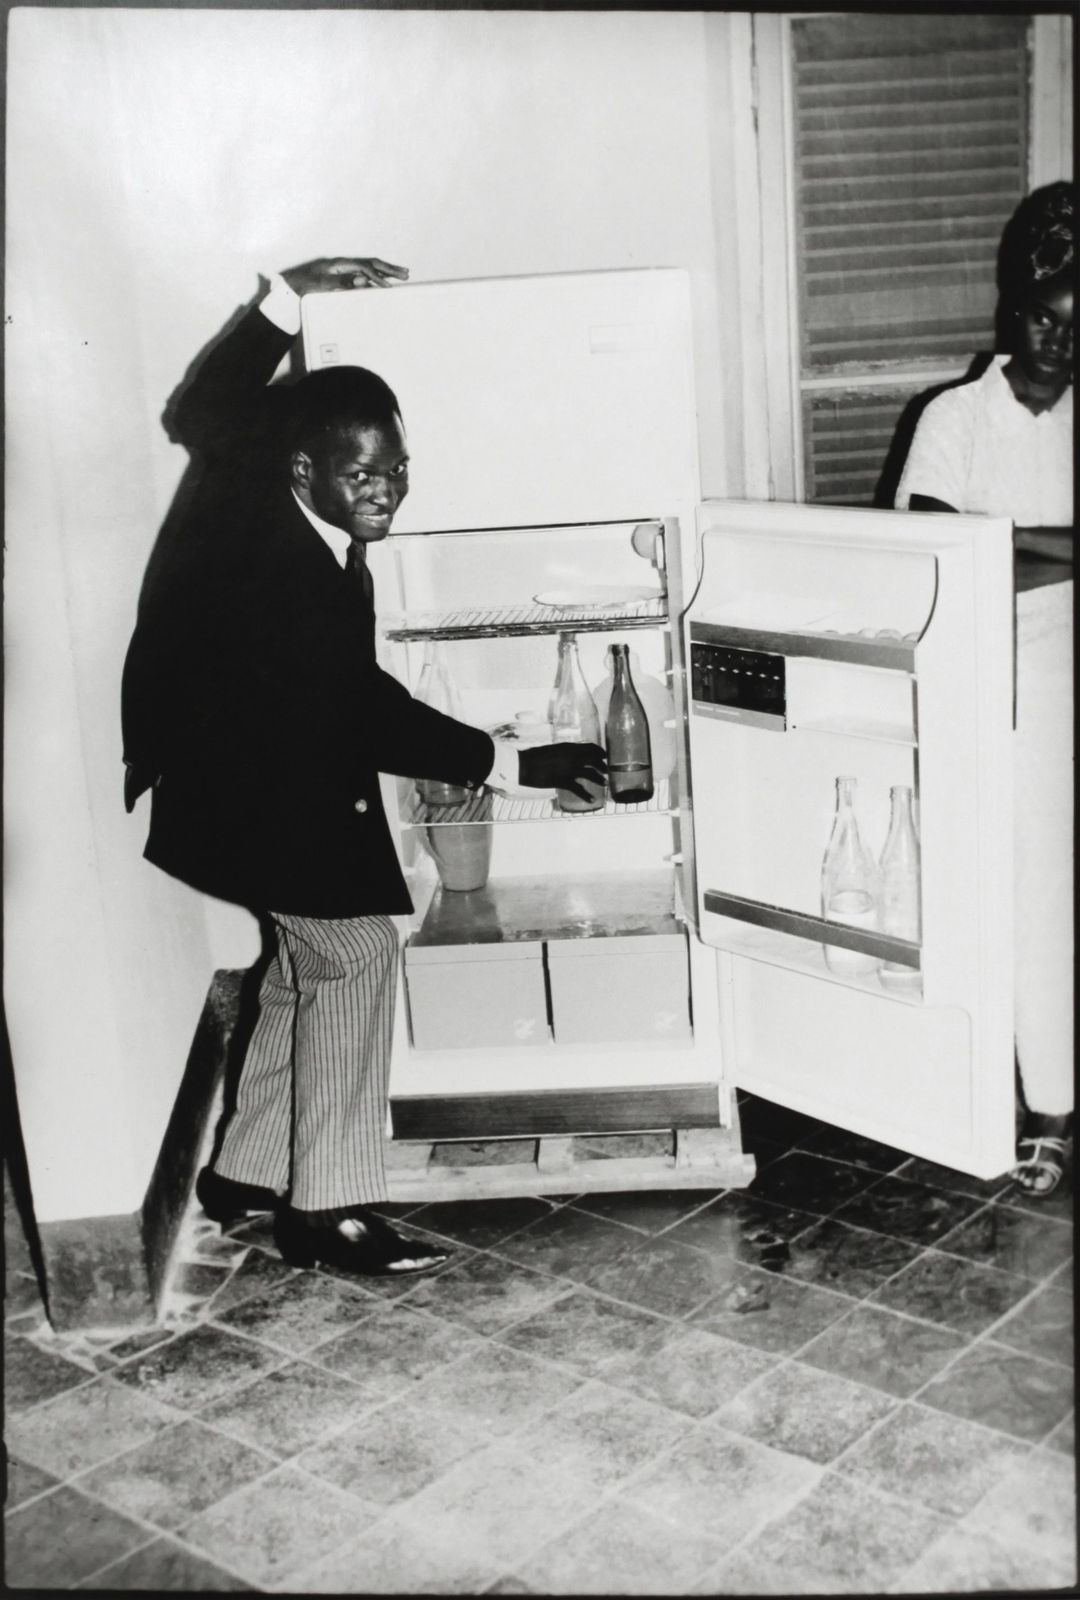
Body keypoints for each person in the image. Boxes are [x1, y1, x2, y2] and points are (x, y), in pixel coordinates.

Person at [122, 255, 607, 1273]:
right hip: (233, 784)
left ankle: (249, 1173)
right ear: (301, 472)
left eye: (397, 468)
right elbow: (203, 408)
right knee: (356, 951)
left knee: (309, 963)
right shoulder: (250, 519)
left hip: (253, 768)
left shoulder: (323, 528)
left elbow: (349, 704)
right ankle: (325, 1210)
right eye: (364, 475)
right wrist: (288, 295)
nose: (387, 490)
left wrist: (506, 760)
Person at [894, 182, 1074, 1196]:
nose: (1055, 344)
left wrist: (1009, 540)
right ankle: (1010, 1101)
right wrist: (1021, 547)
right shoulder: (953, 417)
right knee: (1002, 898)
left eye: (1077, 328)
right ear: (1011, 307)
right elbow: (947, 554)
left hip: (1065, 675)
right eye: (1041, 318)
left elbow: (991, 542)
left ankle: (1055, 1100)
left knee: (1058, 904)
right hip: (984, 680)